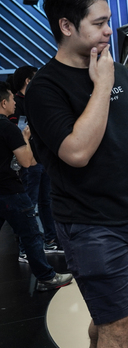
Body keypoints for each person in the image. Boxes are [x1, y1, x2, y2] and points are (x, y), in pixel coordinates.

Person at [25, 0, 128, 348]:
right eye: (99, 23)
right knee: (120, 327)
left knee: (117, 315)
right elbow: (77, 152)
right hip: (90, 226)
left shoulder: (117, 71)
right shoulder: (45, 89)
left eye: (108, 21)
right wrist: (100, 85)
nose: (109, 31)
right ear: (66, 26)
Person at [0, 81, 73, 290]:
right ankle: (45, 277)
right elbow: (27, 162)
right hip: (11, 191)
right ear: (4, 103)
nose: (15, 103)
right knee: (31, 234)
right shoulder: (8, 128)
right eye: (12, 100)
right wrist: (24, 138)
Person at [10, 65, 62, 255]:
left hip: (43, 159)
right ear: (27, 80)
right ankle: (26, 249)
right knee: (30, 205)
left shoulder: (36, 100)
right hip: (28, 162)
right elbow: (17, 133)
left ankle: (50, 239)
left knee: (46, 201)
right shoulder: (17, 102)